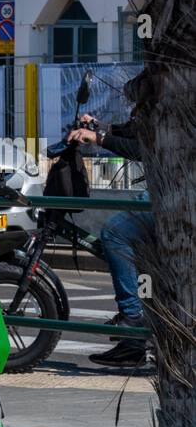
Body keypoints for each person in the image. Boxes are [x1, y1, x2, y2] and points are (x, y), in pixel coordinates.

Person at [68, 112, 153, 368]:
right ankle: (134, 343)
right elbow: (139, 132)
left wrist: (99, 137)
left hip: (175, 194)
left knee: (114, 233)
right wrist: (99, 127)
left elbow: (144, 148)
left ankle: (132, 318)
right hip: (168, 188)